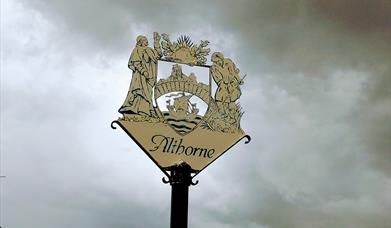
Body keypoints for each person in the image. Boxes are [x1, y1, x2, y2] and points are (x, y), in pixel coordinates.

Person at [119, 35, 161, 116]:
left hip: (149, 77)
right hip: (140, 76)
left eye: (146, 40)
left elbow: (158, 55)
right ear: (140, 42)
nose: (146, 41)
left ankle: (146, 110)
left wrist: (156, 42)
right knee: (140, 91)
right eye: (144, 40)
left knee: (148, 93)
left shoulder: (150, 50)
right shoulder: (137, 50)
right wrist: (144, 71)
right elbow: (136, 62)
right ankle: (136, 109)